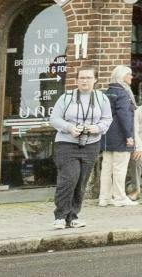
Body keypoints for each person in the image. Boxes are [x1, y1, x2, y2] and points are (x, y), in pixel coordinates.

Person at [49, 67, 111, 230]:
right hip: (67, 143)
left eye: (88, 78)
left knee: (81, 181)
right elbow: (54, 119)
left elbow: (107, 119)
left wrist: (96, 128)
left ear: (95, 80)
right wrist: (69, 127)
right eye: (81, 78)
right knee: (69, 179)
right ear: (76, 80)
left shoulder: (101, 98)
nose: (84, 81)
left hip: (90, 145)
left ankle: (73, 216)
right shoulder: (66, 97)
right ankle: (60, 216)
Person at [98, 64, 138, 208]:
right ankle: (120, 197)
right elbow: (125, 116)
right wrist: (129, 135)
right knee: (120, 168)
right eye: (129, 74)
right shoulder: (122, 93)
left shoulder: (107, 92)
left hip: (107, 136)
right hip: (120, 135)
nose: (131, 77)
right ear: (122, 76)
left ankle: (104, 197)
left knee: (107, 168)